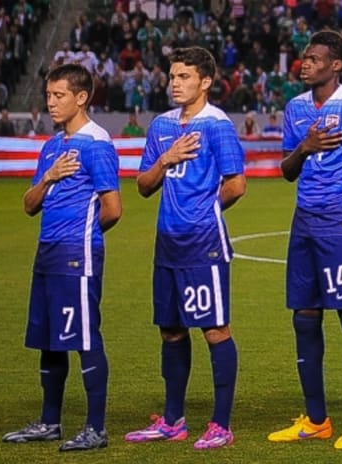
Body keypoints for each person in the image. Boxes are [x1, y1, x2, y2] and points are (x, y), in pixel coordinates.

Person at [268, 30, 342, 450]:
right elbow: (286, 171)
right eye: (304, 57)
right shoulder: (295, 108)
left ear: (336, 65)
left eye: (315, 59)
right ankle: (317, 420)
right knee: (304, 316)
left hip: (339, 224)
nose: (305, 64)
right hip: (303, 223)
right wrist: (303, 148)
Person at [124, 46, 246, 450]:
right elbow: (143, 186)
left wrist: (202, 212)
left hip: (203, 243)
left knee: (214, 328)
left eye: (184, 77)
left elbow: (236, 183)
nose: (174, 83)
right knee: (171, 331)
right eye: (172, 76)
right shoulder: (160, 127)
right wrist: (165, 159)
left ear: (205, 82)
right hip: (167, 243)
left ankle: (221, 425)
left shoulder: (217, 125)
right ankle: (173, 421)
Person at [2, 63, 122, 452]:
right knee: (49, 340)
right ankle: (49, 422)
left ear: (81, 97)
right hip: (47, 252)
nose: (51, 103)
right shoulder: (52, 147)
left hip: (76, 252)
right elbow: (28, 205)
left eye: (59, 96)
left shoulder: (97, 144)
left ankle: (96, 428)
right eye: (49, 95)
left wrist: (83, 237)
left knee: (84, 337)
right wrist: (49, 177)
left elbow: (113, 208)